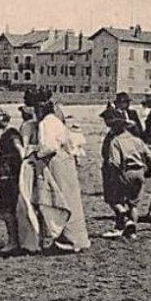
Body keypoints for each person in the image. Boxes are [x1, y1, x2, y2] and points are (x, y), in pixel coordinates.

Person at [22, 88, 91, 253]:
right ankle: (75, 238)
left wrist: (34, 152)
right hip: (64, 161)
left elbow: (49, 146)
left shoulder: (47, 123)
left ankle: (67, 239)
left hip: (55, 162)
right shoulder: (55, 120)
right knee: (70, 198)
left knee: (60, 199)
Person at [100, 107, 151, 239]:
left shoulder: (116, 141)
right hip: (139, 172)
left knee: (115, 200)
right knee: (133, 204)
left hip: (124, 172)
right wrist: (147, 171)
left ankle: (123, 219)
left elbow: (114, 162)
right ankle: (132, 232)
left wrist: (112, 177)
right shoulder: (137, 140)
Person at [0, 107, 24, 255]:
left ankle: (13, 241)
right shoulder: (9, 133)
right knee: (8, 209)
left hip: (9, 176)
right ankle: (15, 240)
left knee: (7, 209)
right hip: (8, 175)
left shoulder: (11, 134)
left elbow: (20, 150)